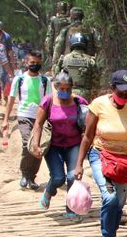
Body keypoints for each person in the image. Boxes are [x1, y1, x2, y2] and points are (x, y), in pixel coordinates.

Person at [74, 70, 127, 237]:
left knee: (119, 204)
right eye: (120, 92)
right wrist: (79, 164)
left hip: (123, 160)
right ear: (112, 88)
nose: (124, 97)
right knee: (109, 197)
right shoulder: (98, 105)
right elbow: (87, 136)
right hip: (101, 155)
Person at [30, 71, 88, 220]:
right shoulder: (48, 101)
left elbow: (89, 123)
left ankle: (71, 208)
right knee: (58, 178)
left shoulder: (79, 102)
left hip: (73, 144)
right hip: (54, 145)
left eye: (68, 88)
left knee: (72, 176)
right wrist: (35, 144)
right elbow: (38, 123)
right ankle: (49, 192)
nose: (65, 92)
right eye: (61, 89)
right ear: (55, 87)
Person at [3, 50, 49, 190]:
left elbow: (49, 101)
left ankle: (32, 177)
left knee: (38, 146)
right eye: (32, 63)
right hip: (24, 115)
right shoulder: (19, 79)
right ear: (26, 63)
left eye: (37, 63)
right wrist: (5, 119)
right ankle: (24, 173)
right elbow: (11, 99)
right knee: (26, 144)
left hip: (40, 118)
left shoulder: (45, 81)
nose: (34, 65)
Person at [54, 33, 98, 100]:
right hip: (85, 95)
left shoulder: (64, 59)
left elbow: (56, 76)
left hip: (67, 93)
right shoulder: (90, 60)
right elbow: (96, 81)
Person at [45, 1, 70, 67]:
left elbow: (50, 35)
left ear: (58, 9)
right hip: (70, 46)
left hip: (57, 45)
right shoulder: (70, 20)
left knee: (56, 65)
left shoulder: (54, 20)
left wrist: (49, 49)